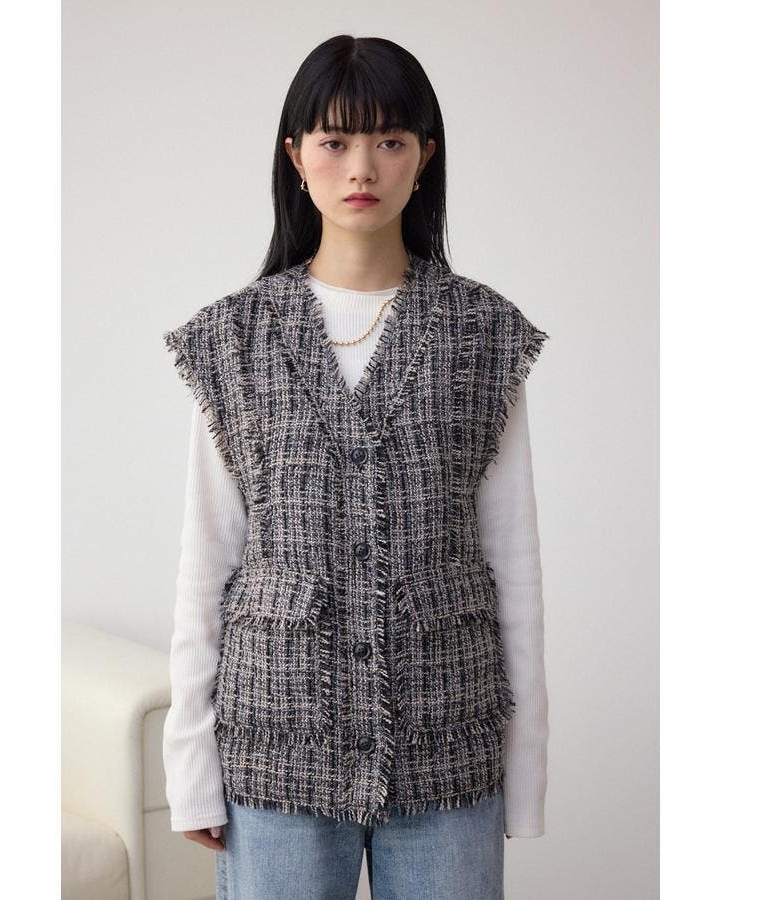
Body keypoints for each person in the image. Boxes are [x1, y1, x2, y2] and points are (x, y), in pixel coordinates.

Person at [161, 34, 550, 900]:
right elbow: (206, 565)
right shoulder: (233, 340)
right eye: (334, 141)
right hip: (277, 747)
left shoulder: (483, 335)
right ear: (296, 156)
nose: (362, 168)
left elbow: (514, 565)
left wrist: (525, 772)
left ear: (424, 157)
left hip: (448, 744)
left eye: (390, 140)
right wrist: (190, 763)